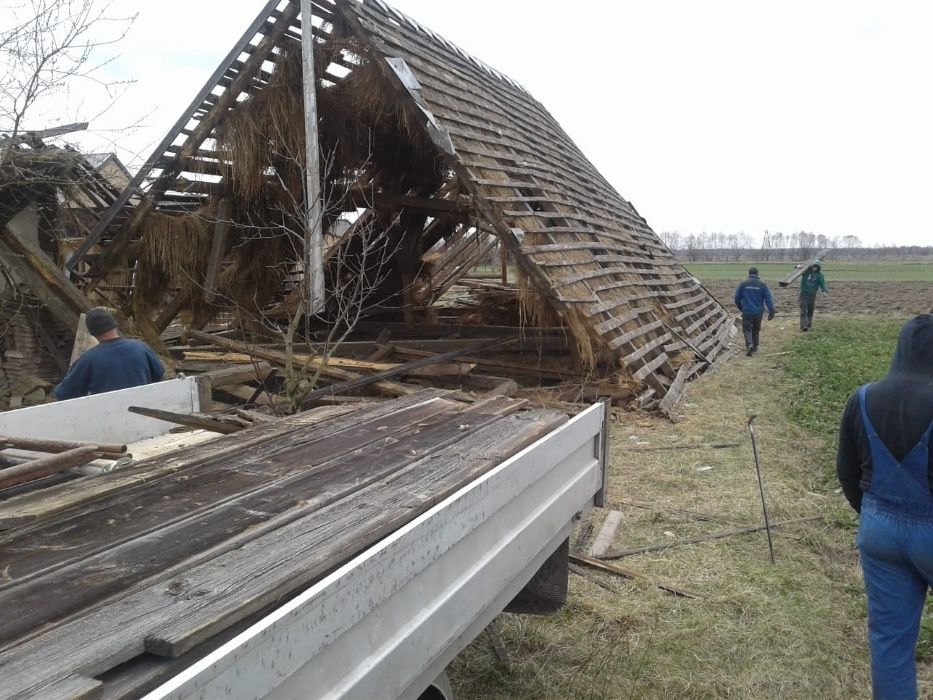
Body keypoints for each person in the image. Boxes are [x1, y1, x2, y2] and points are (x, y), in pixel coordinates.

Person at [836, 314, 933, 699]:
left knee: (890, 642)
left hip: (878, 532)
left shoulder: (862, 397)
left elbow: (846, 471)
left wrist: (876, 516)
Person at [53, 308, 165, 400]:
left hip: (108, 420)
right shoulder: (141, 347)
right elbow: (159, 375)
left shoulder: (89, 359)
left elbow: (64, 394)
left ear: (92, 333)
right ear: (114, 325)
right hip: (144, 414)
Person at [733, 266, 775, 356]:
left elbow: (736, 298)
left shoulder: (743, 283)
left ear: (749, 274)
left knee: (747, 329)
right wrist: (771, 311)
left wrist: (742, 308)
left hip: (747, 311)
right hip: (758, 312)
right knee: (756, 329)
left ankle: (749, 345)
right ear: (757, 274)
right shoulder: (763, 284)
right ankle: (755, 347)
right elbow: (768, 299)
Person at [799, 261, 828, 331]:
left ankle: (809, 325)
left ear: (819, 268)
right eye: (814, 266)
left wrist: (824, 291)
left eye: (816, 267)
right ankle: (803, 326)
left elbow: (822, 284)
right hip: (804, 294)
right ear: (812, 266)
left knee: (810, 310)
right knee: (803, 310)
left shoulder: (820, 275)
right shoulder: (806, 272)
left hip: (812, 295)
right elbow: (797, 270)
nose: (815, 268)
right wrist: (798, 266)